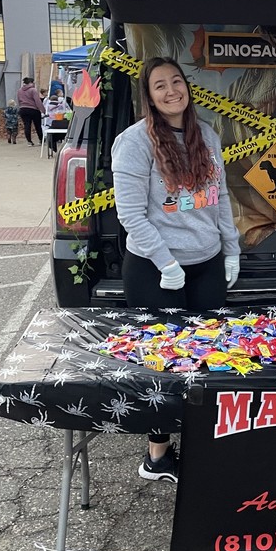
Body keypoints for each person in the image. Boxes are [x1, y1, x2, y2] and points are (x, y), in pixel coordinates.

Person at [111, 55, 241, 483]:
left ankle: (205, 445)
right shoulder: (134, 143)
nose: (171, 91)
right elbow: (131, 215)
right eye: (159, 85)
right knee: (164, 364)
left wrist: (230, 249)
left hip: (205, 265)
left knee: (209, 358)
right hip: (154, 269)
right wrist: (166, 263)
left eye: (177, 81)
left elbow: (219, 198)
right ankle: (158, 455)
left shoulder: (206, 135)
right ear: (148, 96)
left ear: (187, 87)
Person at [17, 77, 45, 146]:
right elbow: (37, 101)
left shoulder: (20, 90)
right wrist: (43, 110)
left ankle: (29, 141)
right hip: (33, 109)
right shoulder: (33, 90)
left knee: (27, 125)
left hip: (23, 109)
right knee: (37, 125)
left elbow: (18, 100)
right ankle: (41, 140)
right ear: (31, 83)